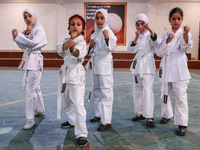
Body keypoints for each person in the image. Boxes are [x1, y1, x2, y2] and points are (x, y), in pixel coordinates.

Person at [155, 7, 193, 136]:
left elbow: (185, 48)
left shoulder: (184, 34)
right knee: (164, 94)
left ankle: (182, 123)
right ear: (169, 20)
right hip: (166, 68)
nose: (176, 21)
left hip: (179, 69)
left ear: (182, 20)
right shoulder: (165, 35)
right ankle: (167, 115)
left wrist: (186, 34)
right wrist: (167, 41)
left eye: (179, 19)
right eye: (174, 19)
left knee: (181, 96)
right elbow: (159, 53)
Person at [12, 8, 47, 130]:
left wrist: (19, 35)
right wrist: (21, 35)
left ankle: (30, 119)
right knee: (35, 87)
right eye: (25, 17)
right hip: (29, 59)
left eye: (29, 16)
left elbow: (32, 44)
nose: (27, 19)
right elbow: (22, 45)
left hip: (35, 60)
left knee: (30, 89)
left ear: (35, 16)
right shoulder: (30, 30)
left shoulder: (39, 30)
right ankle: (41, 110)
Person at [56, 14, 88, 146]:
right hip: (65, 74)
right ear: (69, 27)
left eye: (78, 24)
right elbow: (59, 50)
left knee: (78, 105)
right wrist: (67, 44)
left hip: (76, 75)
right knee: (65, 101)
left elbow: (78, 54)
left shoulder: (82, 42)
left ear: (82, 28)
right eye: (72, 24)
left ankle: (82, 134)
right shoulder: (65, 40)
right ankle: (71, 121)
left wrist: (72, 47)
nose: (75, 26)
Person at [127, 13, 161, 128]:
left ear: (146, 24)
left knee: (148, 91)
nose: (140, 27)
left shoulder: (150, 35)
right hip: (137, 66)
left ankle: (149, 116)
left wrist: (150, 30)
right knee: (137, 90)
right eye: (137, 24)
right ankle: (139, 113)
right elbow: (130, 50)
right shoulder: (135, 36)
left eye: (142, 24)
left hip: (147, 66)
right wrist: (136, 37)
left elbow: (157, 43)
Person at [86, 8, 117, 131]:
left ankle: (106, 121)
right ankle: (98, 114)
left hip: (105, 64)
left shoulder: (109, 32)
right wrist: (91, 46)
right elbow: (90, 52)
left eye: (102, 18)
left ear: (106, 19)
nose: (99, 21)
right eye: (97, 18)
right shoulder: (94, 33)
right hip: (96, 64)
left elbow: (111, 48)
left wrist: (107, 38)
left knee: (106, 92)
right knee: (96, 90)